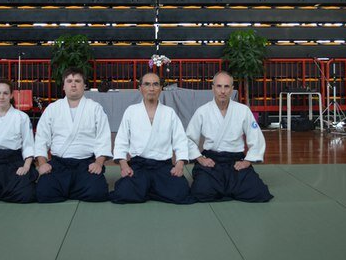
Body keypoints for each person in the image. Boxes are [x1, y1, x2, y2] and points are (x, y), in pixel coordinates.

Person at [186, 71, 273, 202]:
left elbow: (256, 137)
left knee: (259, 192)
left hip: (235, 161)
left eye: (226, 87)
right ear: (213, 88)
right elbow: (189, 139)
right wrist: (200, 159)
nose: (223, 91)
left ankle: (228, 187)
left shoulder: (243, 110)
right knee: (201, 191)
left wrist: (247, 161)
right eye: (219, 86)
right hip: (212, 160)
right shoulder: (202, 111)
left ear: (232, 89)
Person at [110, 72, 194, 204]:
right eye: (147, 84)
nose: (151, 88)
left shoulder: (169, 113)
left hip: (162, 166)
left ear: (160, 88)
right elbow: (121, 141)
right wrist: (124, 165)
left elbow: (180, 141)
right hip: (139, 165)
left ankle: (146, 189)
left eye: (155, 84)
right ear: (140, 88)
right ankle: (153, 189)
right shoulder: (131, 111)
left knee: (181, 191)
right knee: (123, 192)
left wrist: (179, 165)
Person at [34, 67, 112, 202]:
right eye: (69, 81)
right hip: (59, 165)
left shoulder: (95, 108)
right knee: (43, 192)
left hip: (85, 165)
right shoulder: (53, 108)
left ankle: (69, 190)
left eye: (77, 81)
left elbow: (103, 139)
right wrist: (42, 163)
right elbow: (41, 138)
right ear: (64, 86)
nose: (73, 84)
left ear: (84, 85)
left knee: (98, 192)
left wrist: (98, 163)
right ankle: (74, 190)